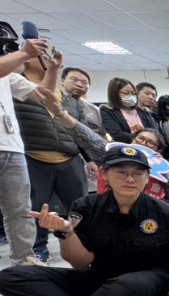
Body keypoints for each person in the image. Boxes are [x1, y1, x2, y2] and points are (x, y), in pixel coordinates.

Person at [0, 146, 169, 296]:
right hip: (101, 277)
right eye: (121, 172)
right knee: (10, 277)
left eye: (138, 173)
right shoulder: (84, 208)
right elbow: (81, 263)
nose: (130, 179)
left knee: (121, 290)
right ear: (104, 173)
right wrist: (66, 232)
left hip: (149, 277)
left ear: (147, 177)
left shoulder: (165, 214)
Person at [15, 48, 89, 264]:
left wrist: (90, 158)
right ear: (27, 59)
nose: (46, 60)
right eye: (41, 57)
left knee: (81, 206)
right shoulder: (15, 84)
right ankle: (38, 248)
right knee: (37, 209)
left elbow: (80, 129)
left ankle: (87, 242)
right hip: (34, 156)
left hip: (69, 157)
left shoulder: (68, 98)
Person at [0, 36, 52, 266]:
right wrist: (24, 53)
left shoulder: (7, 75)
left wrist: (54, 69)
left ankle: (24, 258)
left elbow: (44, 94)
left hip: (12, 148)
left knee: (20, 209)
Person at [100, 78, 157, 143]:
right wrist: (144, 141)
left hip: (148, 148)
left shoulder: (144, 111)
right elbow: (117, 134)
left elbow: (155, 133)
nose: (130, 96)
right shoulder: (108, 110)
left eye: (133, 93)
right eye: (126, 93)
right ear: (114, 94)